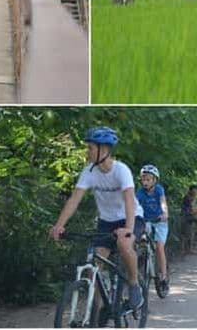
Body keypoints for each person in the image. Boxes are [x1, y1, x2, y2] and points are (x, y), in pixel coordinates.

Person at [50, 126, 146, 313]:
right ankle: (98, 311)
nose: (87, 152)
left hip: (131, 217)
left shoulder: (121, 170)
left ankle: (134, 285)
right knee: (93, 266)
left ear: (104, 150)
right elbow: (74, 200)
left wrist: (128, 230)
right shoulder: (89, 172)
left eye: (91, 148)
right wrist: (59, 225)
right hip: (106, 221)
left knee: (125, 245)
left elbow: (129, 201)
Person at [136, 164, 169, 291]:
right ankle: (142, 265)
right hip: (146, 221)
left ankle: (163, 276)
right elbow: (135, 205)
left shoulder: (159, 190)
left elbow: (163, 202)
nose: (145, 182)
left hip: (160, 221)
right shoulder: (140, 193)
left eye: (148, 179)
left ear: (155, 180)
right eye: (143, 179)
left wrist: (165, 213)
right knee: (141, 241)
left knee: (159, 247)